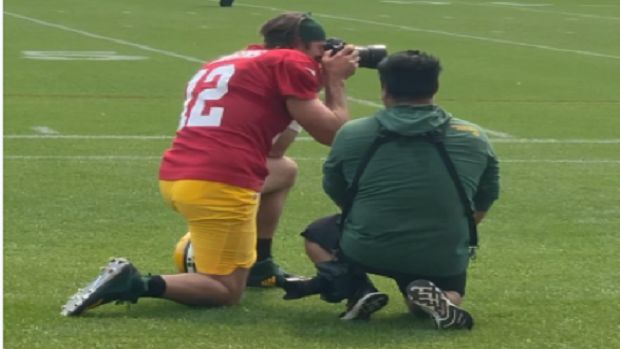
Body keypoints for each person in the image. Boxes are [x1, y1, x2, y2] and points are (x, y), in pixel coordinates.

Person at [60, 12, 359, 316]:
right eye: (320, 50)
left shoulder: (233, 61)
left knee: (285, 171)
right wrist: (334, 81)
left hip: (180, 175)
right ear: (299, 44)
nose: (323, 58)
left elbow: (276, 152)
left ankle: (260, 264)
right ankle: (136, 282)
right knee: (226, 290)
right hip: (221, 183)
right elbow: (334, 134)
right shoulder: (291, 62)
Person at [290, 50, 500, 329]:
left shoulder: (353, 132)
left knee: (318, 233)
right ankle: (442, 299)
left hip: (368, 245)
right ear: (435, 87)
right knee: (432, 289)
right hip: (442, 252)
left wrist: (363, 215)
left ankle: (358, 289)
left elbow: (334, 185)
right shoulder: (473, 136)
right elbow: (486, 195)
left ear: (384, 89)